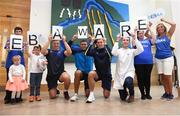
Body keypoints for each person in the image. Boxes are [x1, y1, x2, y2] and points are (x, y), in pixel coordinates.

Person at [148, 18, 176, 100]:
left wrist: (164, 20)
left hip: (167, 58)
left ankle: (171, 93)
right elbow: (146, 35)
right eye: (158, 27)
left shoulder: (168, 35)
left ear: (164, 28)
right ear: (157, 30)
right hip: (158, 58)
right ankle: (166, 92)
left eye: (161, 27)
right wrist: (149, 26)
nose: (160, 28)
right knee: (162, 77)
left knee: (168, 76)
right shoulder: (156, 37)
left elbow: (174, 25)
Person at [112, 32, 144, 103]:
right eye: (124, 40)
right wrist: (117, 40)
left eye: (127, 40)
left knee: (128, 81)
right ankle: (125, 93)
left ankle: (132, 94)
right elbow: (113, 52)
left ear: (129, 42)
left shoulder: (132, 51)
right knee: (123, 98)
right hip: (120, 74)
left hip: (129, 72)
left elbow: (141, 49)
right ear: (122, 42)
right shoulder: (119, 51)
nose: (125, 41)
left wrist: (135, 38)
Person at [41, 34, 72, 100]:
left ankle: (65, 91)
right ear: (52, 44)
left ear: (59, 44)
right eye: (54, 43)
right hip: (51, 75)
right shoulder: (49, 51)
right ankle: (55, 88)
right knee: (52, 96)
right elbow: (43, 52)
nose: (56, 45)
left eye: (57, 43)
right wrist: (49, 40)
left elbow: (69, 52)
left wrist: (64, 41)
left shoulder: (62, 52)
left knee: (67, 77)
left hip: (60, 73)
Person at [85, 37, 112, 103]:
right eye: (98, 42)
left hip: (106, 74)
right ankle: (92, 95)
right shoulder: (95, 50)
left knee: (106, 96)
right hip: (98, 73)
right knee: (91, 73)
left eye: (101, 42)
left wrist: (105, 44)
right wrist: (91, 42)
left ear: (104, 43)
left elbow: (110, 54)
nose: (100, 44)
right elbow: (86, 53)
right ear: (96, 44)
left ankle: (104, 87)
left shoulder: (107, 49)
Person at [4, 26, 26, 104]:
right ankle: (8, 97)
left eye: (19, 31)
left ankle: (18, 97)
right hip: (10, 62)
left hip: (20, 63)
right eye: (16, 31)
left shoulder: (23, 41)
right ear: (14, 32)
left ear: (21, 33)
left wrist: (24, 48)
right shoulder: (9, 40)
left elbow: (24, 51)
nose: (18, 32)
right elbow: (6, 48)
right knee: (9, 80)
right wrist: (9, 48)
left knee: (20, 80)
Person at [68, 34, 93, 101]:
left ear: (87, 45)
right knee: (77, 72)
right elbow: (67, 47)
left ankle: (89, 92)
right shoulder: (76, 51)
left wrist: (91, 39)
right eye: (82, 44)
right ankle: (76, 94)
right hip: (81, 72)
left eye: (85, 44)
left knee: (87, 94)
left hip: (89, 74)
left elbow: (99, 46)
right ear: (80, 45)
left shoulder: (91, 51)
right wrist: (72, 39)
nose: (83, 45)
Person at [134, 24, 155, 100]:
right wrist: (135, 31)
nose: (141, 34)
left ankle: (148, 94)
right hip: (138, 63)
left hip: (149, 63)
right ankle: (142, 94)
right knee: (140, 79)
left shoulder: (148, 40)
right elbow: (133, 42)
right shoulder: (136, 42)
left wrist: (149, 28)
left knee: (147, 78)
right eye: (139, 33)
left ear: (144, 34)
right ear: (138, 35)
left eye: (142, 33)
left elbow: (154, 39)